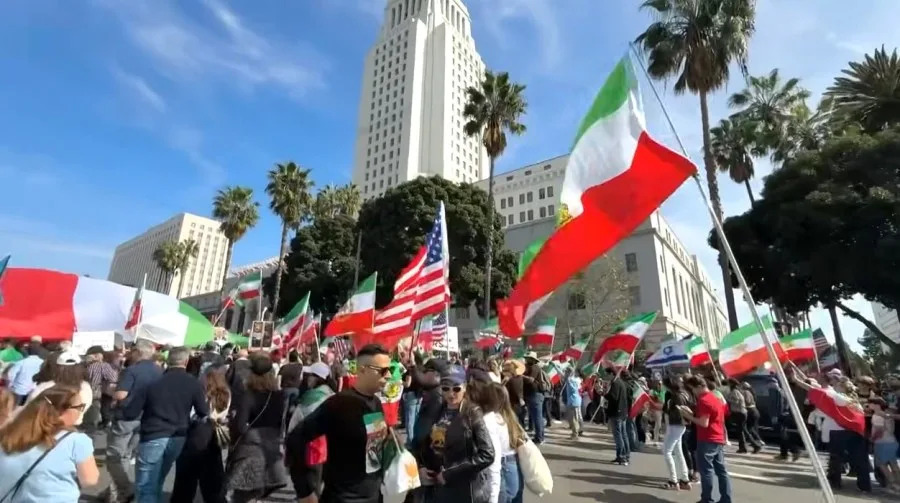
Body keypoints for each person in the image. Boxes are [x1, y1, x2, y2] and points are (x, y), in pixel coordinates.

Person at [285, 344, 392, 503]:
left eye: (390, 370)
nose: (389, 375)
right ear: (362, 370)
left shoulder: (376, 403)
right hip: (342, 498)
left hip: (374, 496)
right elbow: (296, 440)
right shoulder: (339, 404)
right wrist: (305, 492)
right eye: (383, 371)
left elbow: (372, 447)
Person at [0, 385, 100, 501]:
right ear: (63, 411)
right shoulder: (76, 441)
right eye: (79, 407)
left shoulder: (9, 432)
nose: (80, 412)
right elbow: (90, 480)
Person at [135, 346, 209, 503]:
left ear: (168, 360)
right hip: (178, 436)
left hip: (153, 433)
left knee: (147, 483)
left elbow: (132, 411)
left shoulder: (153, 381)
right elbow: (203, 411)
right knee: (159, 478)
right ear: (186, 361)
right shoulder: (192, 383)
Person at [414, 365, 495, 503]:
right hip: (436, 487)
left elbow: (487, 454)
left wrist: (450, 473)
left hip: (462, 488)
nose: (451, 394)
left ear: (464, 387)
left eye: (456, 388)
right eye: (445, 388)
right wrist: (421, 467)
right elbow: (421, 444)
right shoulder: (436, 410)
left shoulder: (472, 413)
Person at [224, 352, 289, 502]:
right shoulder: (279, 396)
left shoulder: (249, 395)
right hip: (271, 451)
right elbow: (281, 424)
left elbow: (240, 425)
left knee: (242, 495)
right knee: (258, 493)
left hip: (250, 450)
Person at [105, 340, 162, 503]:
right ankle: (114, 491)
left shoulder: (132, 370)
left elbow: (121, 394)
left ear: (138, 352)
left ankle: (124, 488)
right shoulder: (158, 370)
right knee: (126, 454)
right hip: (145, 416)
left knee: (114, 455)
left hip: (127, 416)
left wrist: (111, 390)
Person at [171, 366, 231, 503]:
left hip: (196, 432)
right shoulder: (225, 393)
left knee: (186, 478)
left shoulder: (200, 393)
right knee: (212, 478)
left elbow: (193, 414)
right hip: (214, 433)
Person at [679, 376, 731, 503]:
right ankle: (726, 499)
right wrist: (692, 413)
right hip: (718, 437)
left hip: (707, 438)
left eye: (693, 390)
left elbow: (703, 423)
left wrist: (687, 416)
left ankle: (706, 499)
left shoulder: (703, 400)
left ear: (699, 387)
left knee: (706, 471)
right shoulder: (715, 397)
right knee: (721, 471)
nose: (693, 393)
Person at [26, 350, 94, 426]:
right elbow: (86, 405)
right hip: (73, 426)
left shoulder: (45, 386)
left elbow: (30, 405)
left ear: (58, 368)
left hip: (47, 427)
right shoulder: (85, 387)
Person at [661, 376, 691, 490]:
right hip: (679, 425)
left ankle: (673, 481)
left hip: (676, 425)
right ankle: (684, 479)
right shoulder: (683, 394)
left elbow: (677, 411)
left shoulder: (676, 396)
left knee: (667, 452)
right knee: (678, 452)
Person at [85, 345, 119, 434]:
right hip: (98, 393)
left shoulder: (84, 365)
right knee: (95, 415)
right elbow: (113, 378)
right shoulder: (103, 365)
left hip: (85, 392)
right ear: (97, 355)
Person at [868, 397, 900, 493]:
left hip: (882, 442)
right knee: (893, 464)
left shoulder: (877, 415)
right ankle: (897, 484)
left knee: (881, 464)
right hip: (892, 441)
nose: (869, 405)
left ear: (876, 405)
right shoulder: (888, 414)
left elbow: (879, 430)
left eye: (870, 403)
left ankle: (892, 483)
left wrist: (872, 439)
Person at [726, 378, 760, 454]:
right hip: (740, 413)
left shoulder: (735, 391)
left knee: (742, 431)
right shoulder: (736, 391)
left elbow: (737, 400)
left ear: (731, 384)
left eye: (729, 383)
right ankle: (744, 447)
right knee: (742, 431)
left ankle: (754, 445)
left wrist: (728, 400)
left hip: (740, 413)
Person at [521, 352, 549, 444]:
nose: (526, 359)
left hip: (535, 394)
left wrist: (520, 375)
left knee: (537, 417)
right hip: (533, 395)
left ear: (532, 359)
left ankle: (540, 438)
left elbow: (530, 380)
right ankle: (539, 436)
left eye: (528, 358)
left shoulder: (534, 367)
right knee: (536, 416)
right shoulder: (529, 367)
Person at [605, 369, 630, 465]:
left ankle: (621, 456)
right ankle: (626, 455)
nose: (606, 377)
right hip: (622, 412)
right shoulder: (621, 383)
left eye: (607, 374)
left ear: (612, 374)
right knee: (623, 434)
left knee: (618, 435)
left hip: (617, 413)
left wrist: (604, 393)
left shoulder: (616, 383)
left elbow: (613, 397)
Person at [502, 360, 526, 428]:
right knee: (520, 421)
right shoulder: (520, 378)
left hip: (513, 402)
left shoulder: (511, 380)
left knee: (515, 421)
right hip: (519, 401)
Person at [561, 367, 583, 439]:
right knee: (573, 418)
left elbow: (574, 389)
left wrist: (569, 380)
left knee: (574, 419)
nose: (565, 373)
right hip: (574, 401)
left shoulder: (573, 380)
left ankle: (575, 434)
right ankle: (576, 432)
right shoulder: (575, 379)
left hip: (574, 401)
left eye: (567, 372)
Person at [741, 382, 764, 448]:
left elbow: (747, 401)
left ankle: (757, 441)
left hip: (751, 411)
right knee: (751, 427)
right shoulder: (751, 392)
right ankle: (756, 441)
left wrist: (742, 403)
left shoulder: (746, 392)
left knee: (748, 428)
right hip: (754, 410)